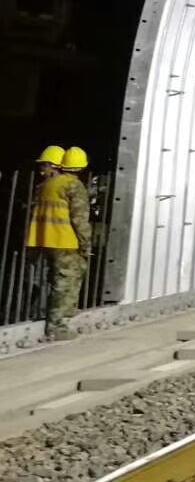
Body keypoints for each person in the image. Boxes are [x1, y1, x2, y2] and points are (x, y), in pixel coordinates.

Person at [26, 145, 91, 340]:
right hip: (65, 240)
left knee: (56, 280)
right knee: (67, 281)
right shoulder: (73, 186)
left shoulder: (46, 185)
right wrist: (86, 245)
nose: (41, 169)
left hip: (45, 239)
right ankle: (57, 326)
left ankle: (59, 313)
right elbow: (80, 219)